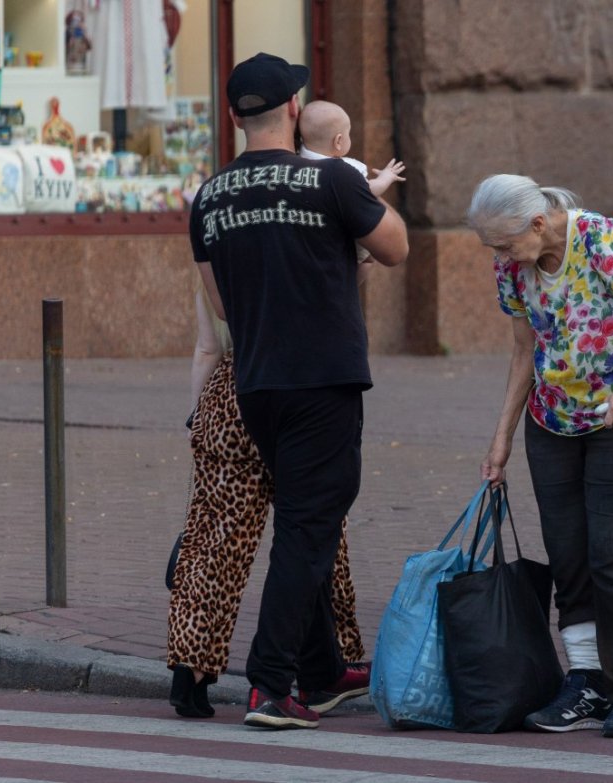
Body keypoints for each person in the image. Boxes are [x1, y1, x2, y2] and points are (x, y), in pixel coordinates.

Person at [189, 52, 408, 730]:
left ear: (234, 117)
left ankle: (321, 664)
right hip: (324, 378)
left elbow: (220, 305)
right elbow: (395, 247)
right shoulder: (328, 184)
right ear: (291, 110)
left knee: (304, 519)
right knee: (310, 526)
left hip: (257, 381)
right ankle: (271, 683)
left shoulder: (211, 198)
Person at [467, 174, 613, 739]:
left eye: (504, 243)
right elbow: (523, 350)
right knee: (570, 559)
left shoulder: (599, 240)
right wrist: (502, 437)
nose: (500, 255)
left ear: (538, 224)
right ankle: (587, 682)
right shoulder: (513, 264)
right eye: (493, 246)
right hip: (552, 418)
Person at [166, 283, 366, 719]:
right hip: (299, 388)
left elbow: (206, 348)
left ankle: (192, 669)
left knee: (216, 541)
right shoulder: (293, 240)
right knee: (316, 536)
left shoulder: (216, 247)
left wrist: (197, 416)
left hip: (228, 396)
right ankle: (331, 665)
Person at [298, 99, 406, 277]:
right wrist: (386, 178)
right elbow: (366, 192)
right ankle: (351, 284)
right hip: (344, 233)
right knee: (366, 260)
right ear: (338, 141)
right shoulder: (349, 169)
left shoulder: (298, 161)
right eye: (348, 134)